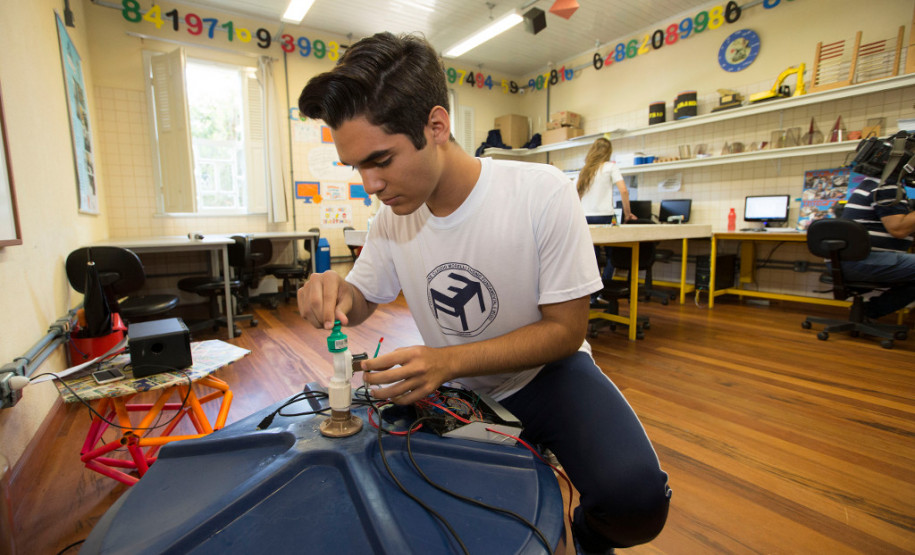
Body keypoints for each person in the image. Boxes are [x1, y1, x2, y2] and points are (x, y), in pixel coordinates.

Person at [296, 32, 671, 553]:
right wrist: (335, 292)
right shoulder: (392, 219)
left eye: (380, 160)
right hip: (456, 392)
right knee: (420, 507)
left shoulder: (542, 195)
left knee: (636, 504)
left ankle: (583, 538)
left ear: (436, 126)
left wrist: (447, 361)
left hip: (546, 377)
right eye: (356, 167)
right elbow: (361, 301)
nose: (370, 184)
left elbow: (566, 331)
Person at [839, 177, 915, 319]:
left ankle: (868, 311)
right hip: (860, 261)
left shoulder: (872, 183)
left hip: (848, 260)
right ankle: (870, 311)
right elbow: (898, 229)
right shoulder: (886, 185)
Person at [577, 137, 638, 285]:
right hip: (605, 217)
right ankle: (605, 286)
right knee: (613, 255)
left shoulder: (585, 170)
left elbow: (576, 195)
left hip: (585, 218)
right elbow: (624, 191)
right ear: (608, 152)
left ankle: (593, 292)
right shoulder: (610, 167)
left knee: (592, 257)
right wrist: (628, 213)